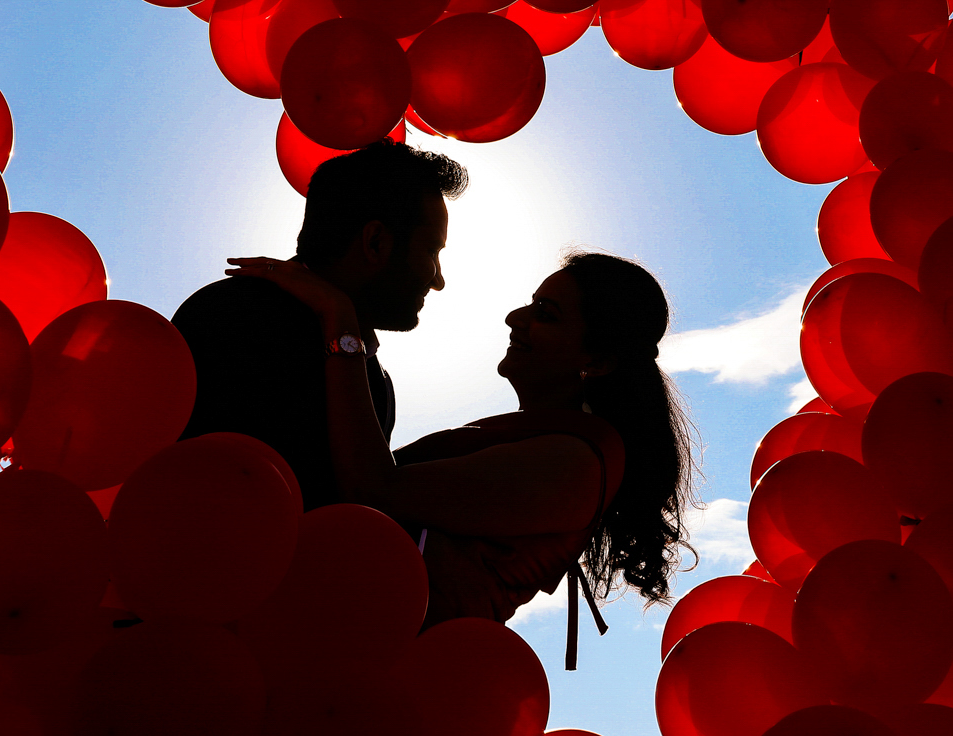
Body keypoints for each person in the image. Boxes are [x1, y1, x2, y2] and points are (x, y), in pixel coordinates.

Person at [226, 249, 699, 667]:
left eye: (546, 314)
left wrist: (342, 324)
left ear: (596, 362)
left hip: (382, 678)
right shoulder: (537, 437)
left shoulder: (577, 462)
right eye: (531, 304)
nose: (516, 317)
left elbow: (372, 490)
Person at [170, 139, 467, 512]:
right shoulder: (236, 317)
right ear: (375, 242)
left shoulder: (372, 378)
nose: (438, 279)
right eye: (431, 251)